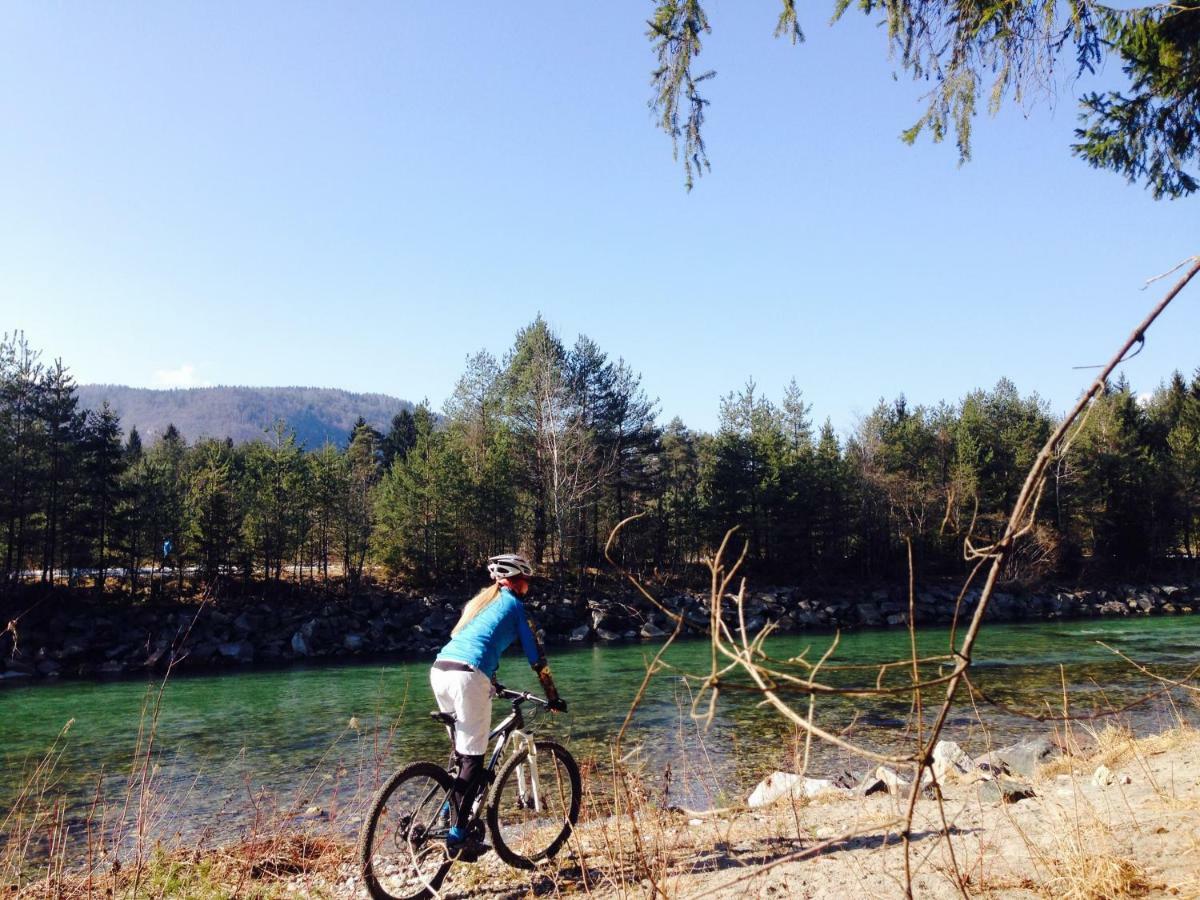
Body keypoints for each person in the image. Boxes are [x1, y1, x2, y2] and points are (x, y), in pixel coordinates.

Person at [430, 552, 565, 858]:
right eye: (528, 581)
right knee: (473, 761)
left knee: (462, 756)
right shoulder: (515, 607)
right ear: (518, 581)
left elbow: (476, 643)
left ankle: (446, 816)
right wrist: (553, 696)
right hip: (468, 678)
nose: (529, 586)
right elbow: (537, 659)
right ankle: (457, 837)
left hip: (441, 670)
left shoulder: (480, 604)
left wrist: (490, 680)